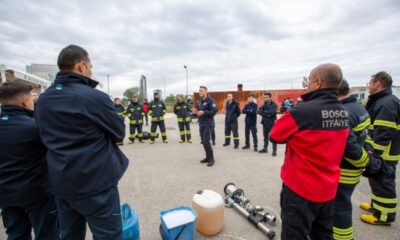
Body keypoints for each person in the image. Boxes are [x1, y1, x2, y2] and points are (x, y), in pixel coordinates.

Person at [35, 44, 128, 239]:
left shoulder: (43, 100)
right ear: (81, 66)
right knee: (108, 235)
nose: (91, 71)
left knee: (69, 234)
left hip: (61, 182)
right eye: (91, 66)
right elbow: (119, 132)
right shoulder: (94, 97)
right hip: (96, 184)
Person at [270, 63, 350, 240]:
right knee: (323, 234)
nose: (307, 85)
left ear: (318, 83)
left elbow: (275, 136)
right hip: (328, 189)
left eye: (309, 80)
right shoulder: (344, 112)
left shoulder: (302, 111)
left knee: (294, 234)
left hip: (300, 190)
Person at [0, 81, 59, 240]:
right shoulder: (35, 126)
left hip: (5, 195)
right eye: (32, 100)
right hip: (38, 194)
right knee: (47, 235)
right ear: (24, 102)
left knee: (16, 235)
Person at [360, 71, 399, 225]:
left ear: (378, 83)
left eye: (371, 82)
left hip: (384, 152)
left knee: (384, 182)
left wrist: (374, 152)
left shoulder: (387, 103)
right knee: (377, 180)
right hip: (381, 151)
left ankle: (383, 216)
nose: (369, 85)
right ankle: (376, 207)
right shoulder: (383, 101)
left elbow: (384, 131)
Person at [333, 80, 370, 240]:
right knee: (343, 204)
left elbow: (349, 148)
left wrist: (366, 162)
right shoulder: (360, 108)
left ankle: (342, 237)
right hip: (353, 170)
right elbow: (365, 136)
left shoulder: (342, 112)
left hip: (345, 171)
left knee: (339, 209)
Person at [197, 86, 218, 167]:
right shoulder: (199, 101)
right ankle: (207, 157)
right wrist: (196, 112)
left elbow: (215, 110)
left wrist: (204, 112)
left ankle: (212, 158)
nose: (200, 92)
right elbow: (197, 109)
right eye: (199, 91)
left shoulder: (210, 100)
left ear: (206, 91)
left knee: (206, 140)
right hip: (201, 123)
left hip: (208, 124)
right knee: (203, 141)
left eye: (201, 91)